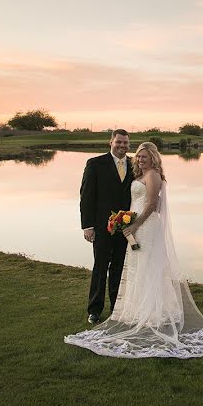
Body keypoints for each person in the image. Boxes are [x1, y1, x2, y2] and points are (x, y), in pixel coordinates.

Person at [65, 142, 203, 359]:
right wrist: (123, 220)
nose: (140, 160)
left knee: (149, 265)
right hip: (134, 225)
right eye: (138, 157)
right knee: (136, 266)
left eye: (145, 157)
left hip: (145, 226)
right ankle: (135, 308)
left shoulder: (153, 175)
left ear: (153, 158)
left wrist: (135, 224)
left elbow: (151, 205)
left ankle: (153, 311)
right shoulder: (139, 173)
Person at [79, 129, 133, 324]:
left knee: (120, 267)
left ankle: (117, 308)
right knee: (100, 267)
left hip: (126, 226)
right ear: (110, 142)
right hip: (102, 227)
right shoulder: (95, 164)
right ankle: (94, 309)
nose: (122, 146)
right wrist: (88, 226)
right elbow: (86, 196)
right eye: (119, 142)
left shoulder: (134, 164)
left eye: (126, 143)